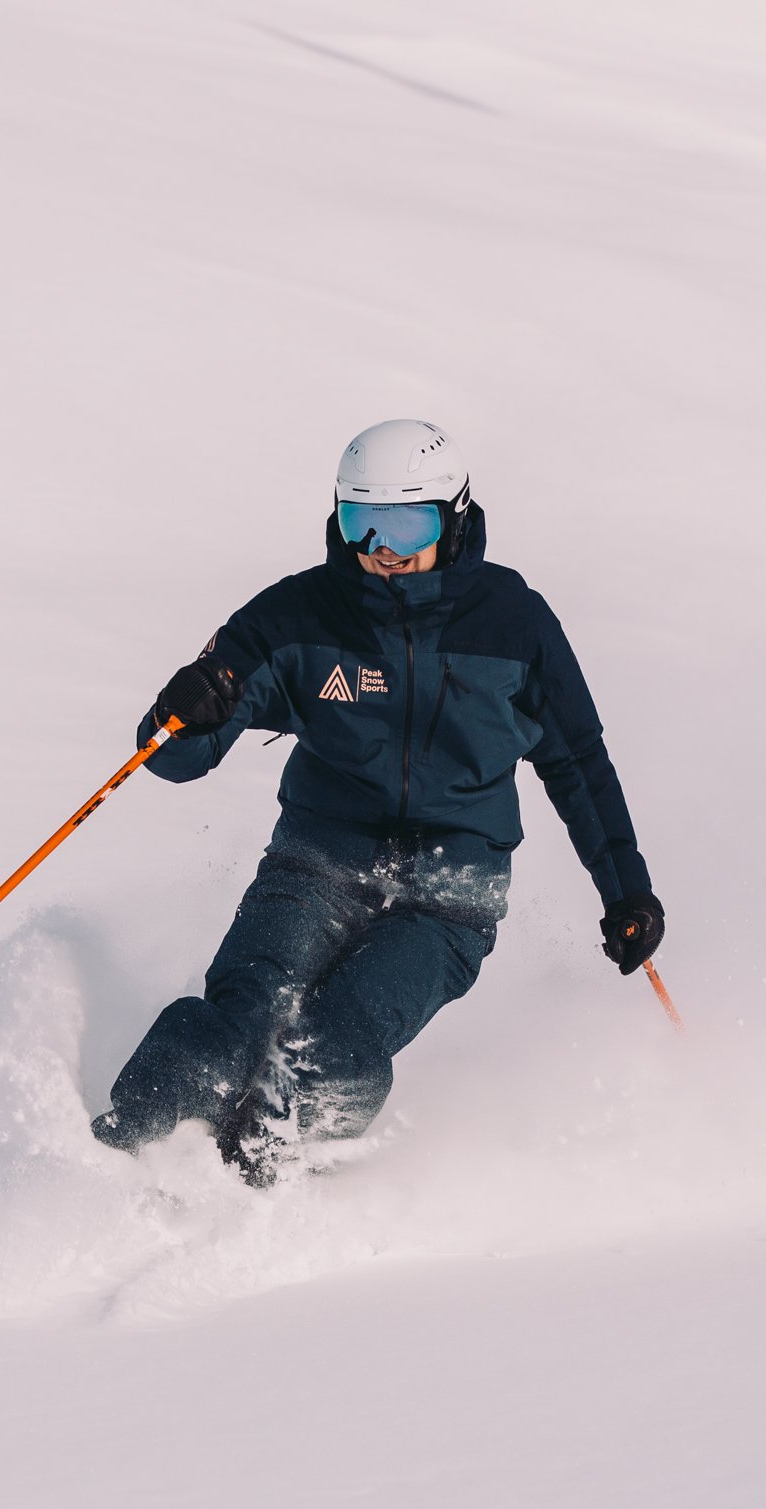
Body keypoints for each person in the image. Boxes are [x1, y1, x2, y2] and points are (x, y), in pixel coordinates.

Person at [93, 419, 664, 1184]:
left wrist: (626, 890)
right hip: (316, 861)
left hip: (449, 895)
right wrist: (182, 710)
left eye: (405, 522)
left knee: (333, 1040)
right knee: (240, 1019)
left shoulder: (515, 625)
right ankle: (126, 1150)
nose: (381, 549)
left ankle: (261, 1172)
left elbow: (579, 764)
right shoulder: (299, 616)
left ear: (453, 519)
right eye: (362, 522)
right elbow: (174, 754)